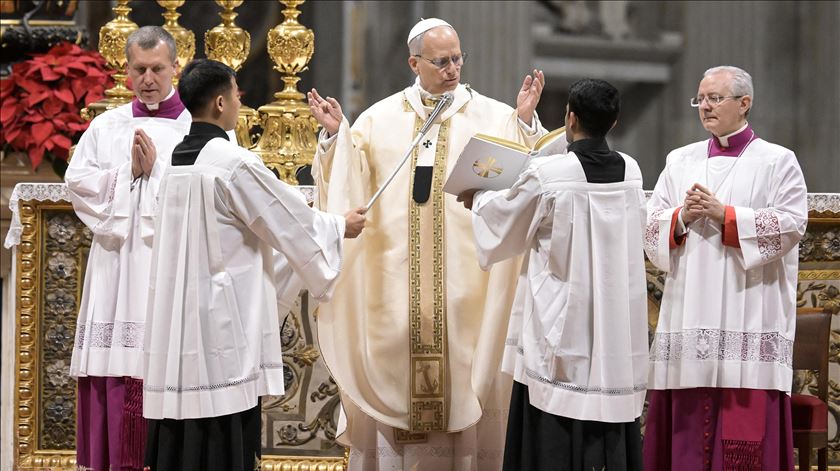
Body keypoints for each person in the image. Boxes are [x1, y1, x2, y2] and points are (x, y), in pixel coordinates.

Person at [307, 17, 547, 470]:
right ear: (413, 62)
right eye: (441, 61)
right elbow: (350, 179)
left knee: (465, 380)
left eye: (457, 58)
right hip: (393, 286)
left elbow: (526, 173)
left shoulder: (492, 115)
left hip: (465, 288)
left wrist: (526, 123)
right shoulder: (379, 118)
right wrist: (337, 136)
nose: (453, 69)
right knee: (395, 380)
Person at [140, 58, 366, 471]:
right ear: (222, 102)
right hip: (222, 324)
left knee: (181, 429)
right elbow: (286, 220)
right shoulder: (232, 162)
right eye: (238, 95)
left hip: (179, 322)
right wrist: (339, 226)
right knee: (220, 427)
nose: (240, 103)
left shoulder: (173, 162)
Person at [460, 78, 648, 471]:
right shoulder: (631, 172)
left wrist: (477, 196)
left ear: (570, 117)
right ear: (613, 123)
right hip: (615, 324)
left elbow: (503, 221)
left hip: (563, 322)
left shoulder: (551, 177)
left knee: (555, 412)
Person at [643, 65, 808, 470]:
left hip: (747, 311)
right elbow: (650, 226)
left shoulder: (777, 161)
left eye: (715, 98)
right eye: (700, 98)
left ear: (744, 103)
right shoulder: (680, 160)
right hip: (690, 309)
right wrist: (682, 218)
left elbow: (792, 223)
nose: (705, 106)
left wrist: (726, 215)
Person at [65, 26, 189, 471]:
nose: (148, 78)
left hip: (170, 267)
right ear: (127, 69)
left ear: (177, 67)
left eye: (157, 68)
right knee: (115, 361)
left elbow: (213, 192)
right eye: (139, 69)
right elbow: (77, 183)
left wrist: (156, 173)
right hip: (116, 266)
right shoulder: (107, 125)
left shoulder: (196, 127)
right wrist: (127, 175)